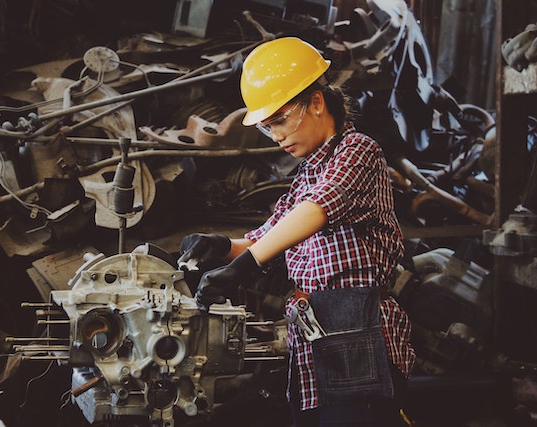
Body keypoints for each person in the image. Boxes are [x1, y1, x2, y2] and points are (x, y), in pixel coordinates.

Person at [178, 37, 415, 427]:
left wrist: (245, 267)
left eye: (281, 120)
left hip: (358, 335)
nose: (276, 137)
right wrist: (220, 247)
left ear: (317, 103)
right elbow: (265, 238)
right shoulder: (306, 175)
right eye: (269, 127)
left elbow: (317, 210)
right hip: (313, 337)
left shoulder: (358, 151)